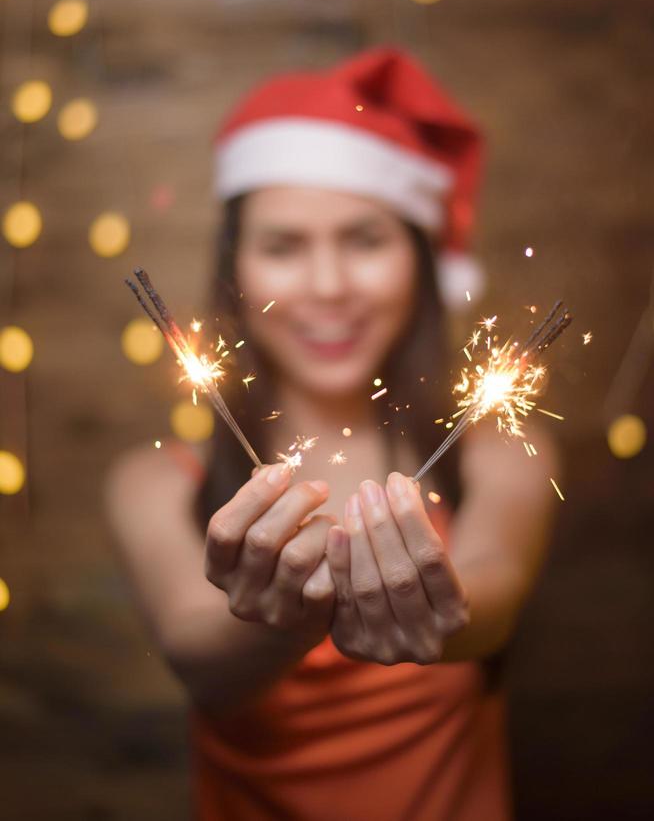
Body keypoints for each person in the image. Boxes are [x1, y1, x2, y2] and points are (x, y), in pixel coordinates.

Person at [105, 47, 558, 821]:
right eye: (283, 246)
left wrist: (437, 612)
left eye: (365, 240)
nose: (327, 286)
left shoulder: (501, 453)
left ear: (419, 260)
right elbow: (200, 662)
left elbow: (492, 600)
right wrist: (284, 619)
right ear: (236, 272)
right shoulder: (152, 484)